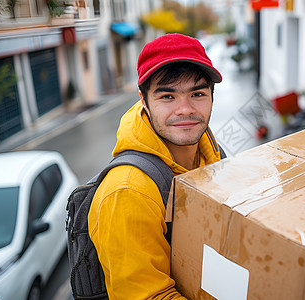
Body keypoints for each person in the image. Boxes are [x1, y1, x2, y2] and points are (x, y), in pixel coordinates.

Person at [87, 33, 223, 299]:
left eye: (197, 93)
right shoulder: (128, 191)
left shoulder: (210, 149)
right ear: (143, 101)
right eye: (167, 97)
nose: (185, 109)